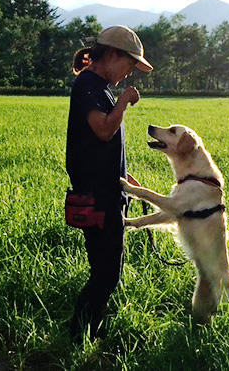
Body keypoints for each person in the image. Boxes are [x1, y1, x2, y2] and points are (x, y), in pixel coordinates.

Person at [65, 25, 153, 341]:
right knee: (106, 274)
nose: (129, 75)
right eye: (129, 65)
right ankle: (79, 333)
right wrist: (124, 102)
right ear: (113, 55)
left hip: (107, 192)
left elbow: (98, 147)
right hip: (98, 200)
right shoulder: (89, 84)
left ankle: (88, 330)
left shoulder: (98, 86)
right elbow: (103, 130)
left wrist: (123, 177)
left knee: (105, 272)